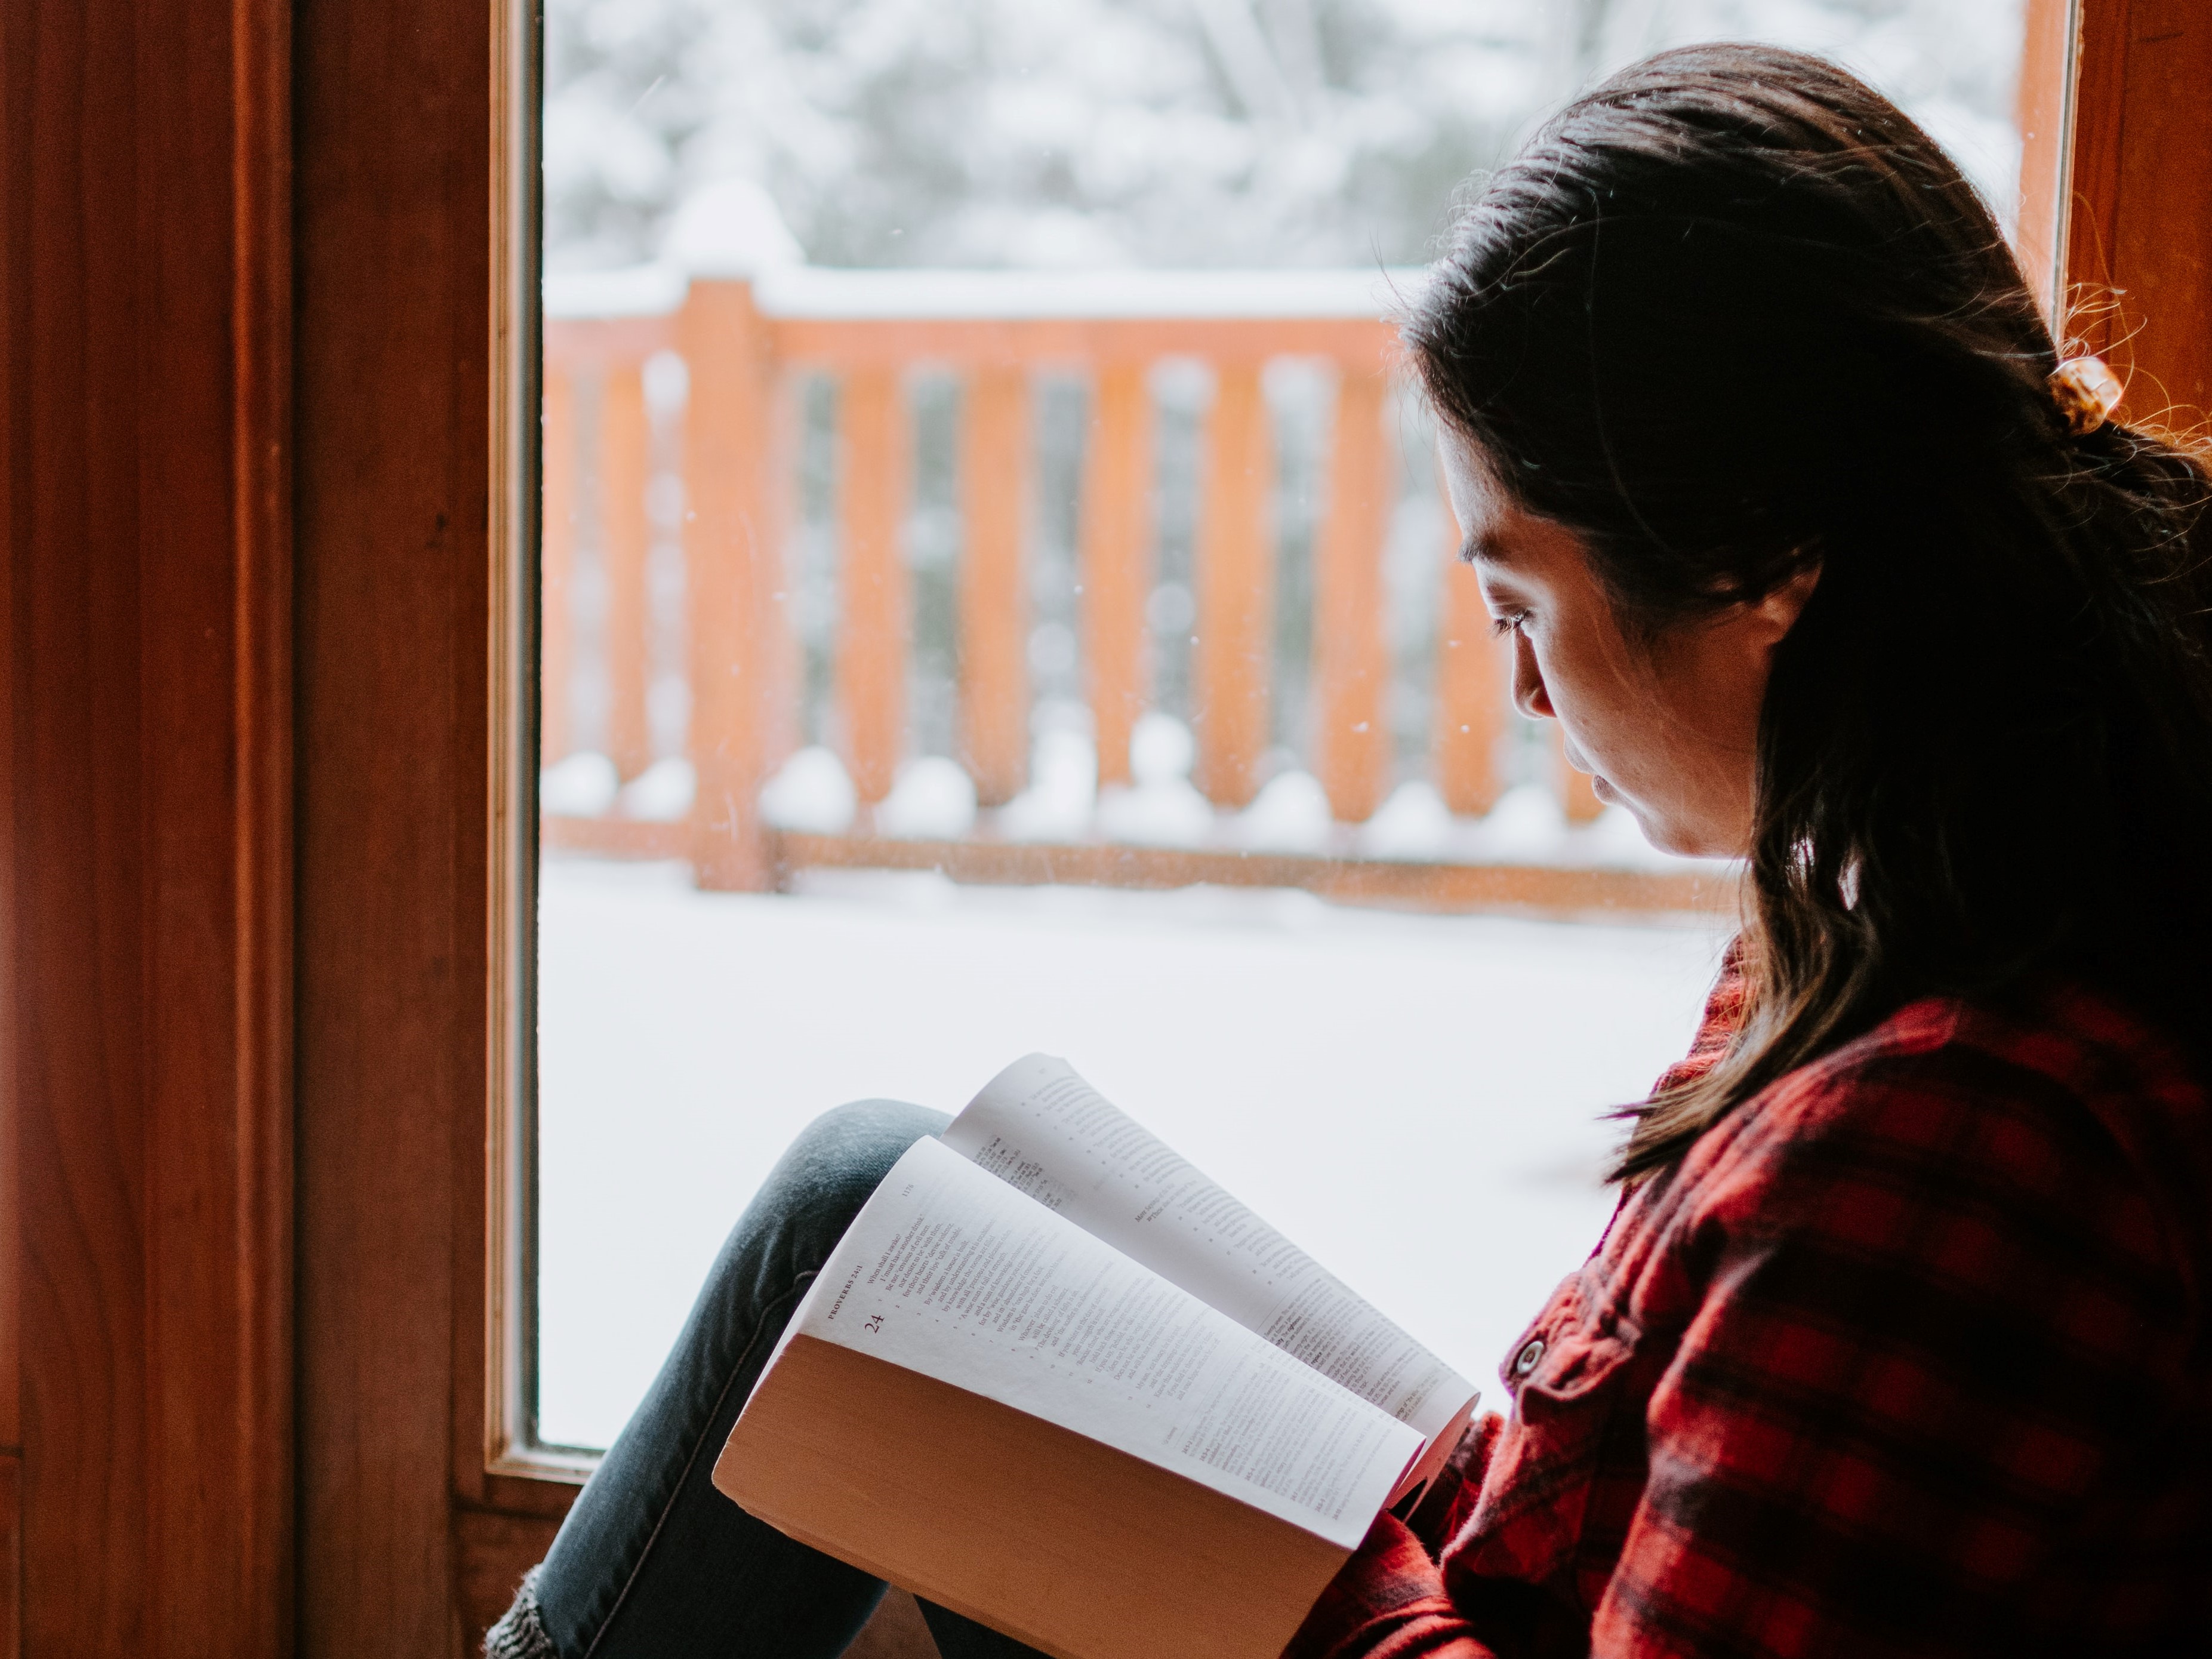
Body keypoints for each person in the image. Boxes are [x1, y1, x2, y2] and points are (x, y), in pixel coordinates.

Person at [488, 42, 2212, 1658]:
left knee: (870, 1259)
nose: (1522, 689)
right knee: (872, 1206)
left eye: (1517, 598)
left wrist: (1312, 1560)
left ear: (1766, 565)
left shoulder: (1954, 1142)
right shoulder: (1902, 905)